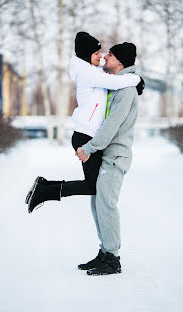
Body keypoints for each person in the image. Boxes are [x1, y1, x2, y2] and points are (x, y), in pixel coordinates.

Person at [26, 32, 141, 212]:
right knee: (94, 186)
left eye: (103, 54)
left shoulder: (92, 69)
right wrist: (136, 80)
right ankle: (44, 191)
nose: (101, 57)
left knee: (93, 185)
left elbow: (113, 68)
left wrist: (133, 79)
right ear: (88, 56)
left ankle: (44, 187)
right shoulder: (88, 73)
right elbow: (113, 80)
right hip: (85, 136)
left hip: (86, 134)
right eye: (97, 54)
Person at [75, 42, 143, 276]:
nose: (105, 58)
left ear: (120, 62)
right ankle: (105, 252)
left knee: (107, 205)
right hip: (108, 154)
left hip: (116, 155)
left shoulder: (126, 91)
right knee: (97, 203)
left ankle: (113, 259)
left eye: (110, 55)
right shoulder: (116, 86)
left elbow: (111, 126)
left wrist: (89, 147)